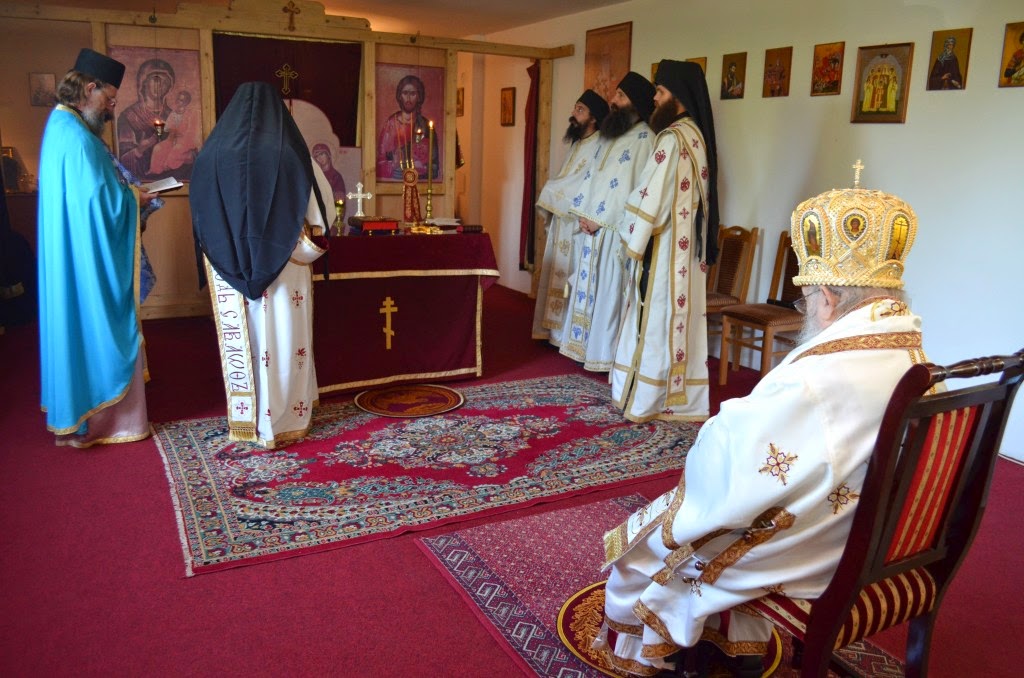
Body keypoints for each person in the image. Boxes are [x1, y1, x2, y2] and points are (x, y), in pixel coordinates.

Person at [593, 179, 924, 675]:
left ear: (828, 298)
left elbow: (736, 465)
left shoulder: (817, 377)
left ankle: (668, 647)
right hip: (875, 535)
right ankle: (734, 644)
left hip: (818, 553)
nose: (807, 310)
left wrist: (717, 430)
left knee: (652, 548)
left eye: (805, 300)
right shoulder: (912, 353)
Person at [190, 82, 335, 449]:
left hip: (227, 268)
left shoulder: (211, 155)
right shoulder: (292, 154)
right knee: (283, 340)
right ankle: (283, 420)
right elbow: (322, 214)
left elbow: (200, 217)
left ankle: (247, 420)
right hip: (285, 267)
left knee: (248, 341)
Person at [37, 48, 159, 448]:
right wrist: (133, 199)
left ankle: (79, 417)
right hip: (85, 258)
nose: (111, 107)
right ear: (89, 88)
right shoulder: (75, 137)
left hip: (73, 252)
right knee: (97, 325)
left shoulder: (62, 126)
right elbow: (99, 204)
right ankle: (106, 420)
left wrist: (125, 194)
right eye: (109, 98)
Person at [611, 60, 719, 423]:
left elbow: (650, 198)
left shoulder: (672, 139)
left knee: (655, 320)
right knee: (675, 322)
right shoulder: (696, 136)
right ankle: (676, 398)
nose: (654, 99)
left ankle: (648, 399)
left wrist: (628, 234)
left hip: (664, 250)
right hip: (685, 254)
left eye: (659, 91)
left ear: (678, 95)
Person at [561, 72, 655, 370]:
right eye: (616, 94)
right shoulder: (609, 134)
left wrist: (600, 220)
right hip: (591, 226)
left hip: (615, 230)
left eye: (621, 96)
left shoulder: (646, 139)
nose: (613, 100)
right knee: (589, 289)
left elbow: (633, 189)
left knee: (608, 295)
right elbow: (593, 177)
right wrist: (583, 213)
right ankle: (582, 349)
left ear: (635, 103)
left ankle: (602, 357)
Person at [530, 89, 608, 344]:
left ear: (593, 118)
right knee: (557, 272)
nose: (573, 114)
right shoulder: (577, 144)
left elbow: (586, 183)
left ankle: (566, 337)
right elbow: (567, 177)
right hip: (562, 220)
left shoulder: (600, 145)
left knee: (572, 277)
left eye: (580, 110)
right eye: (575, 108)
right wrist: (554, 192)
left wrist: (551, 191)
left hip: (578, 224)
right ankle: (553, 332)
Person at [117, 58, 177, 181]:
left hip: (171, 179)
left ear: (169, 87)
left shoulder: (173, 116)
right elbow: (122, 160)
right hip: (142, 184)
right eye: (156, 79)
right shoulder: (130, 116)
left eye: (165, 82)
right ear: (144, 82)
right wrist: (140, 150)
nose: (160, 85)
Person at [375, 74, 439, 181]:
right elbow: (380, 162)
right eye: (405, 93)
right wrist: (394, 164)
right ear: (400, 96)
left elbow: (434, 167)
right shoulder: (391, 124)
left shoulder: (426, 126)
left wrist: (421, 168)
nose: (408, 99)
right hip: (393, 185)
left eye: (413, 94)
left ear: (419, 97)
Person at [149, 89, 201, 175]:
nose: (178, 102)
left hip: (185, 141)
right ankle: (154, 171)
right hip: (171, 139)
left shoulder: (192, 114)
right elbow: (167, 128)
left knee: (176, 151)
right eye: (178, 99)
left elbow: (191, 131)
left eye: (181, 100)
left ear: (186, 102)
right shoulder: (173, 113)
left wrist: (179, 134)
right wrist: (161, 123)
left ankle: (168, 166)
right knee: (157, 148)